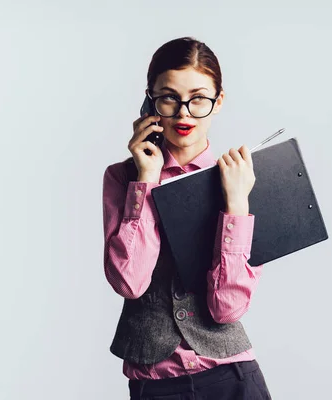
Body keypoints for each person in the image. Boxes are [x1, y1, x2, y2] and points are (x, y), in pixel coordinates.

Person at [102, 36, 272, 400]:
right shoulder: (122, 178)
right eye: (169, 97)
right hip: (155, 385)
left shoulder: (241, 178)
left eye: (198, 99)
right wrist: (145, 181)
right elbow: (129, 282)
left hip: (232, 378)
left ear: (218, 101)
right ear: (150, 99)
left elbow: (228, 307)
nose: (183, 113)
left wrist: (237, 205)